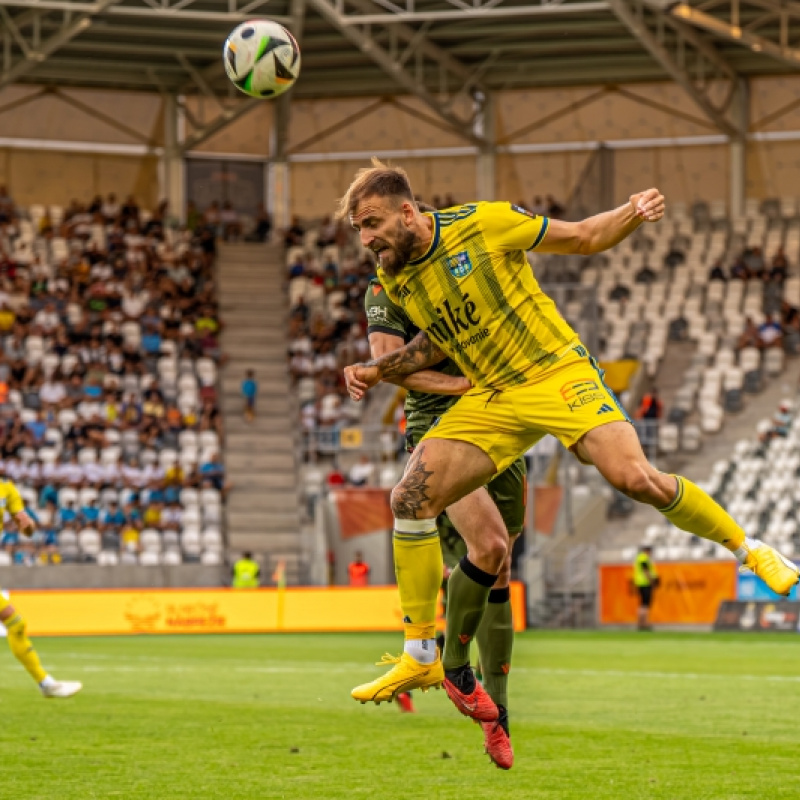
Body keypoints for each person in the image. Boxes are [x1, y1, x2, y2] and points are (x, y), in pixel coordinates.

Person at [340, 160, 798, 730]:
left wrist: (632, 211)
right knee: (410, 499)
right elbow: (435, 343)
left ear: (408, 211)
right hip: (496, 395)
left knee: (635, 478)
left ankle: (749, 548)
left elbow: (582, 237)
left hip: (557, 373)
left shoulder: (484, 223)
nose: (366, 239)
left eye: (372, 223)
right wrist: (379, 369)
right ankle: (421, 655)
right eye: (359, 229)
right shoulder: (395, 277)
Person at [356, 266, 523, 767]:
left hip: (504, 421)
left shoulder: (468, 273)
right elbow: (386, 364)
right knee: (487, 548)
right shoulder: (384, 289)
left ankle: (499, 716)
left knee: (503, 565)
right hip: (439, 427)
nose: (373, 245)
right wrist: (461, 385)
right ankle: (453, 669)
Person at [0, 477, 82, 698]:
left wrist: (27, 525)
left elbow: (26, 528)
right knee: (14, 621)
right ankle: (45, 684)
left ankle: (46, 684)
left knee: (15, 623)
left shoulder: (6, 489)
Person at [632, 545, 659, 631]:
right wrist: (652, 582)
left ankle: (641, 623)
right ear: (647, 551)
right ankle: (644, 623)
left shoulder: (639, 558)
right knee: (645, 604)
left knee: (642, 604)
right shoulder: (644, 558)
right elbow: (646, 571)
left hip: (640, 583)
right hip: (645, 583)